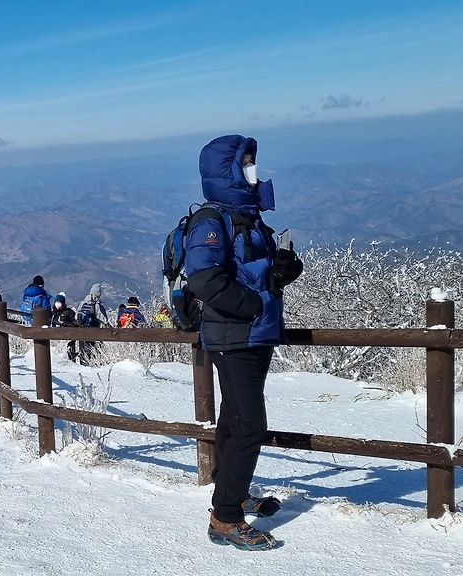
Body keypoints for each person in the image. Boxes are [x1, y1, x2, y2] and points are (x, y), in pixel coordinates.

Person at [184, 134, 303, 551]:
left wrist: (283, 270)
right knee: (251, 425)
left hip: (253, 333)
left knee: (235, 419)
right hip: (234, 335)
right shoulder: (211, 221)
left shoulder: (247, 216)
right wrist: (253, 306)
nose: (253, 169)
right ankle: (226, 517)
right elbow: (204, 279)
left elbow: (252, 272)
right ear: (228, 170)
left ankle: (232, 491)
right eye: (246, 162)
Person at [47, 293, 82, 363]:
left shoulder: (69, 312)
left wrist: (67, 324)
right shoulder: (52, 313)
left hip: (67, 337)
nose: (57, 304)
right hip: (54, 338)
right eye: (56, 302)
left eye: (59, 302)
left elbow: (75, 323)